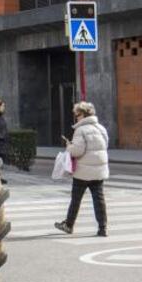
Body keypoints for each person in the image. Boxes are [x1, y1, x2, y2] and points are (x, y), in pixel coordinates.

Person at [54, 102, 109, 237]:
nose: (76, 118)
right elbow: (105, 145)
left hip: (83, 172)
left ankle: (68, 225)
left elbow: (78, 151)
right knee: (99, 199)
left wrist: (69, 146)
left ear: (83, 115)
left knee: (76, 199)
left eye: (77, 115)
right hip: (99, 171)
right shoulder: (101, 128)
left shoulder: (81, 130)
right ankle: (103, 228)